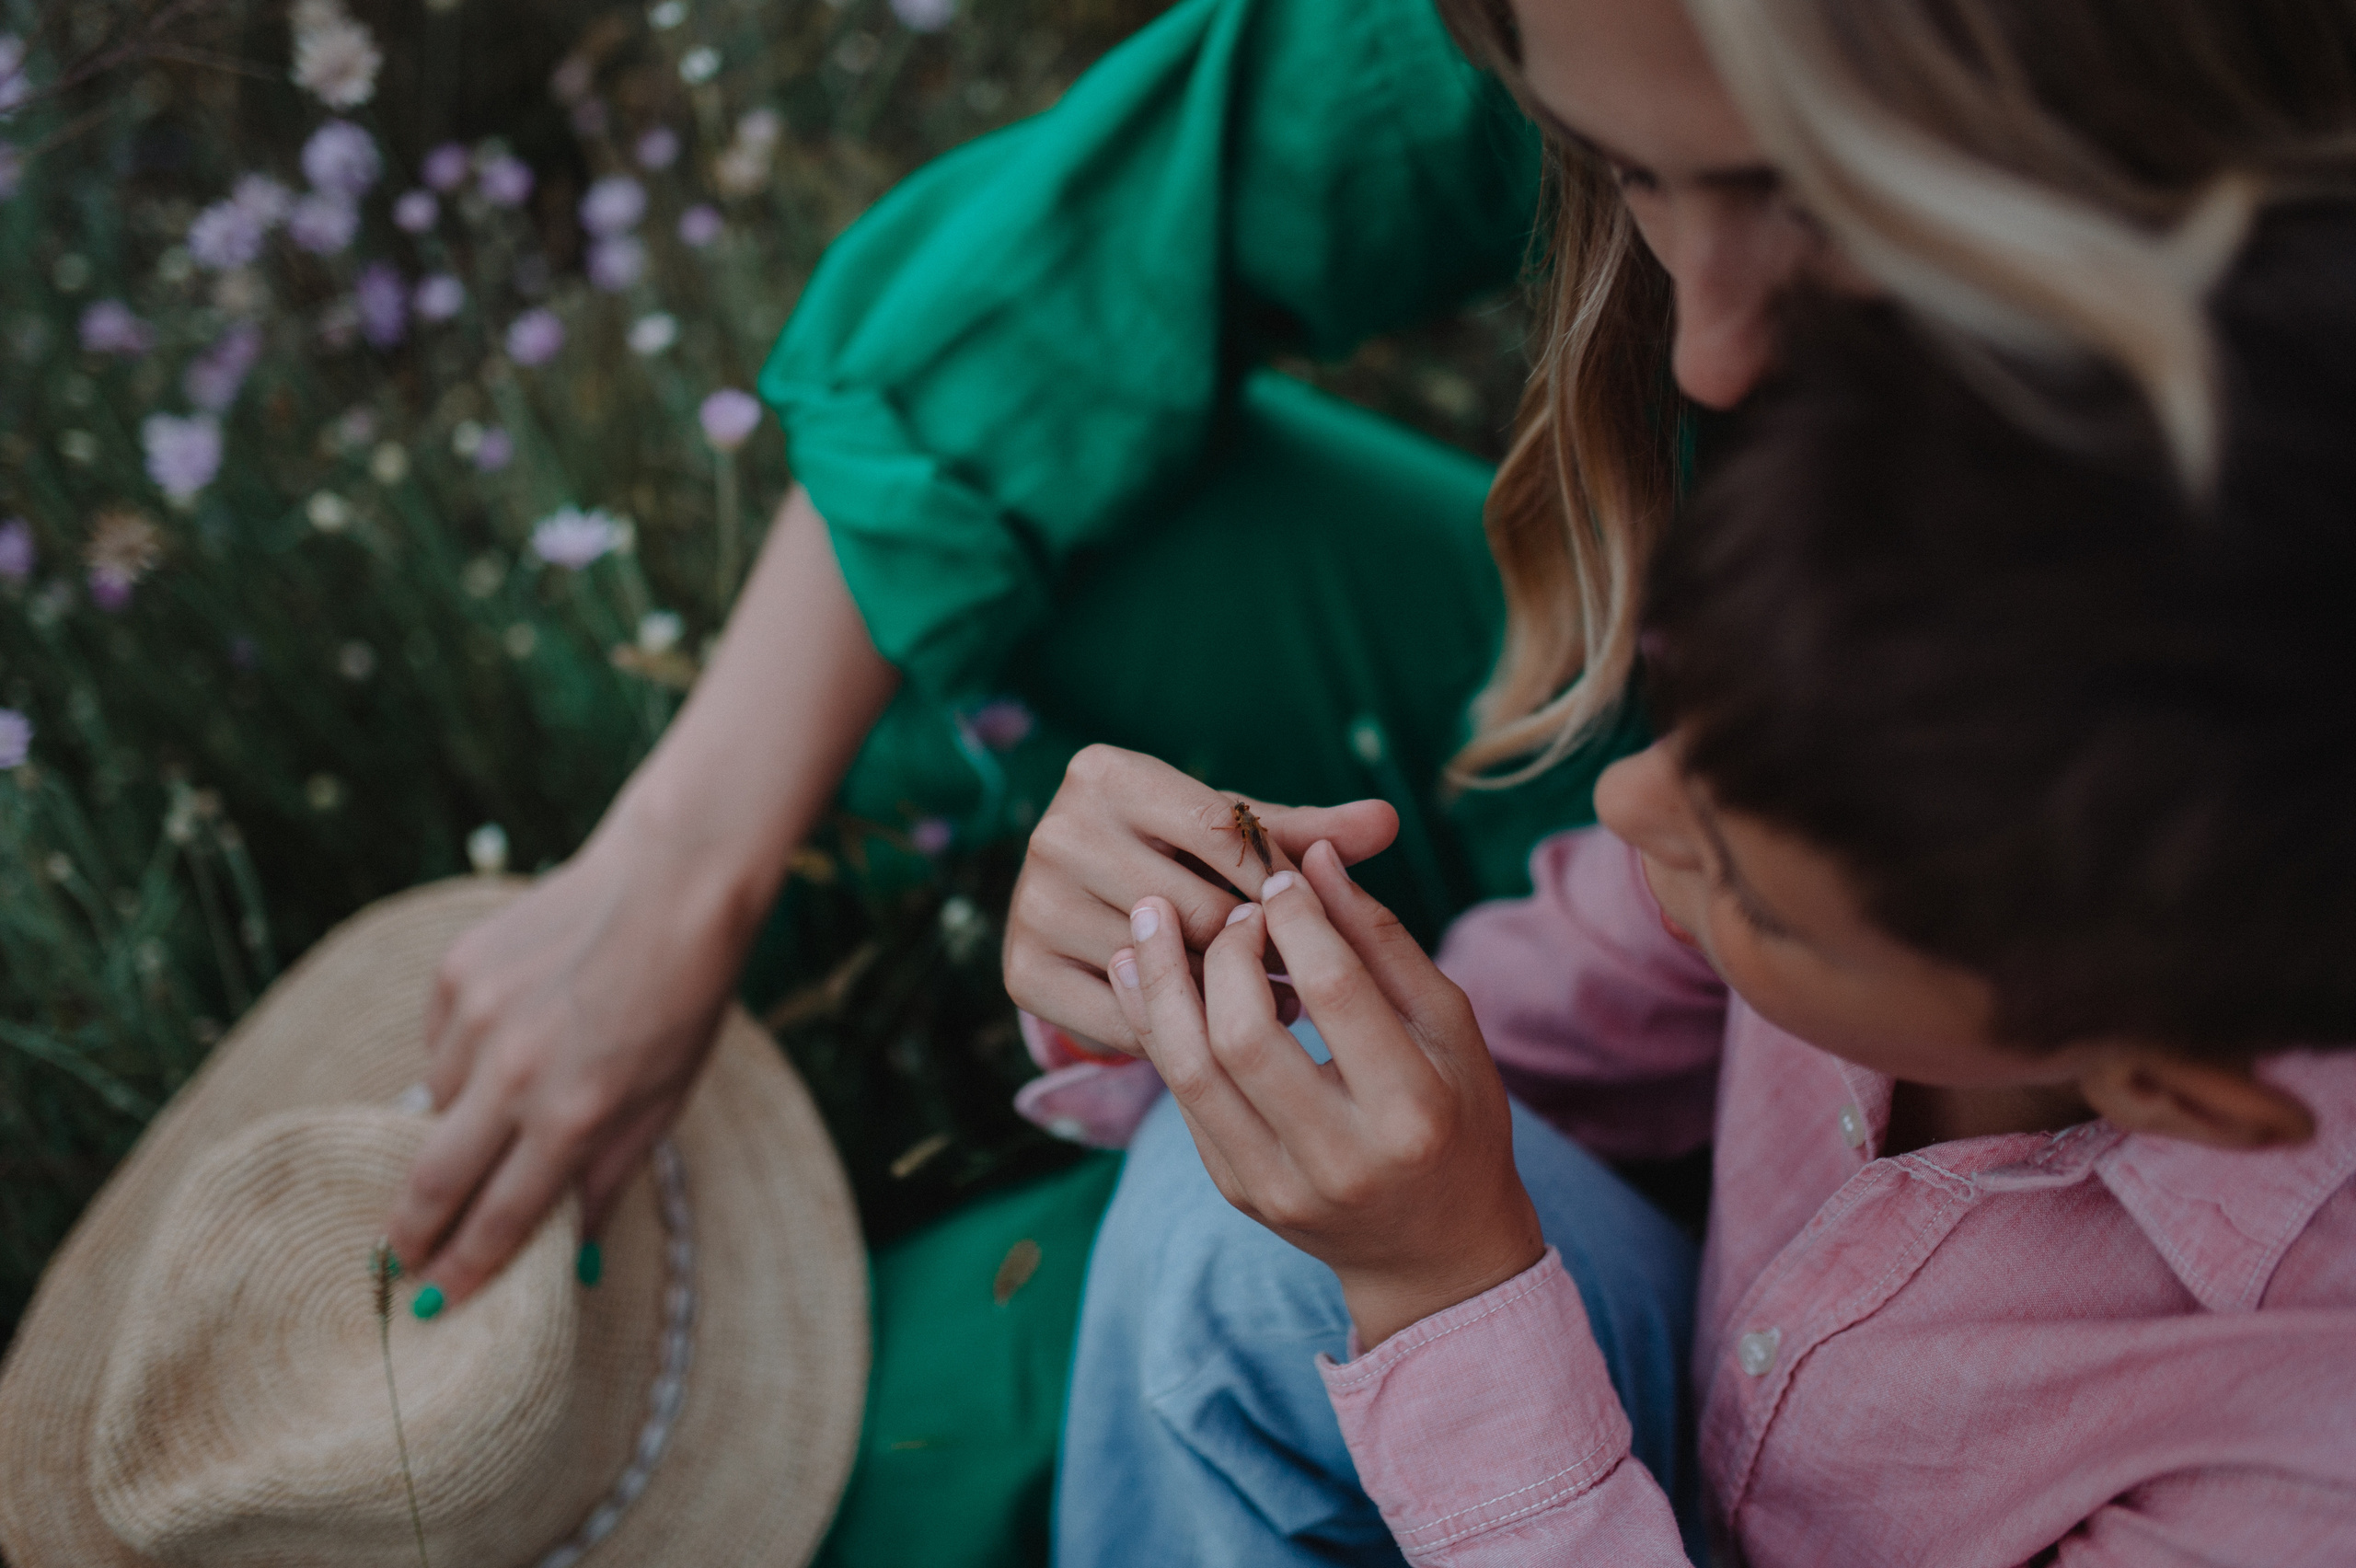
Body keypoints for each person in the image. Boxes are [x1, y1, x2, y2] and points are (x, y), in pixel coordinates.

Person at [388, 0, 2356, 1315]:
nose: (1705, 357)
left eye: (1810, 201)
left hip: (2032, 963)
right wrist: (677, 874)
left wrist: (1441, 1279)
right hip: (1749, 926)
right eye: (1627, 178)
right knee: (976, 587)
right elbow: (1093, 260)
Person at [1080, 208, 2356, 1563]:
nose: (1631, 808)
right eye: (1690, 718)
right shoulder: (1886, 748)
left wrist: (1442, 1289)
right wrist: (1212, 966)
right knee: (1225, 1238)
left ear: (2161, 1084)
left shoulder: (2298, 1471)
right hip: (1649, 1422)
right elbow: (1515, 1030)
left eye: (1751, 886)